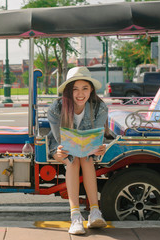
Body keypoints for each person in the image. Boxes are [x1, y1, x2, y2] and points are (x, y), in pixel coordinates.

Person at [47, 67, 108, 235]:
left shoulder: (99, 107)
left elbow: (97, 138)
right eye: (75, 89)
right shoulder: (56, 108)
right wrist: (61, 151)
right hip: (61, 147)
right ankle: (75, 216)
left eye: (85, 88)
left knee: (86, 159)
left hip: (86, 149)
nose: (80, 94)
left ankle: (95, 212)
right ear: (68, 91)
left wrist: (100, 147)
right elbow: (60, 140)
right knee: (73, 160)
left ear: (91, 90)